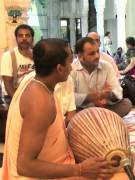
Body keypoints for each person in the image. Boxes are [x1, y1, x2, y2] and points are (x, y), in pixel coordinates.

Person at [2, 38, 115, 179]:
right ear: (59, 68)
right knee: (117, 174)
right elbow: (25, 166)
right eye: (69, 62)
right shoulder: (39, 101)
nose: (72, 67)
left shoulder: (36, 83)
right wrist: (80, 170)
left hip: (58, 163)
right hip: (36, 176)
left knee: (114, 161)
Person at [72, 37, 132, 117]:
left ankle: (94, 119)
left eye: (97, 52)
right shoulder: (72, 69)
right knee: (70, 113)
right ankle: (101, 118)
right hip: (81, 109)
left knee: (126, 104)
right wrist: (89, 97)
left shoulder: (106, 66)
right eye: (92, 53)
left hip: (104, 107)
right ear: (80, 56)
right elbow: (69, 97)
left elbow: (118, 91)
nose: (97, 56)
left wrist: (109, 95)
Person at [1, 24, 34, 103]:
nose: (24, 38)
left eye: (27, 36)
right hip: (13, 93)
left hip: (33, 92)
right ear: (16, 38)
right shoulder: (8, 56)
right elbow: (7, 83)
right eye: (20, 36)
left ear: (32, 38)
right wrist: (18, 101)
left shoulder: (38, 55)